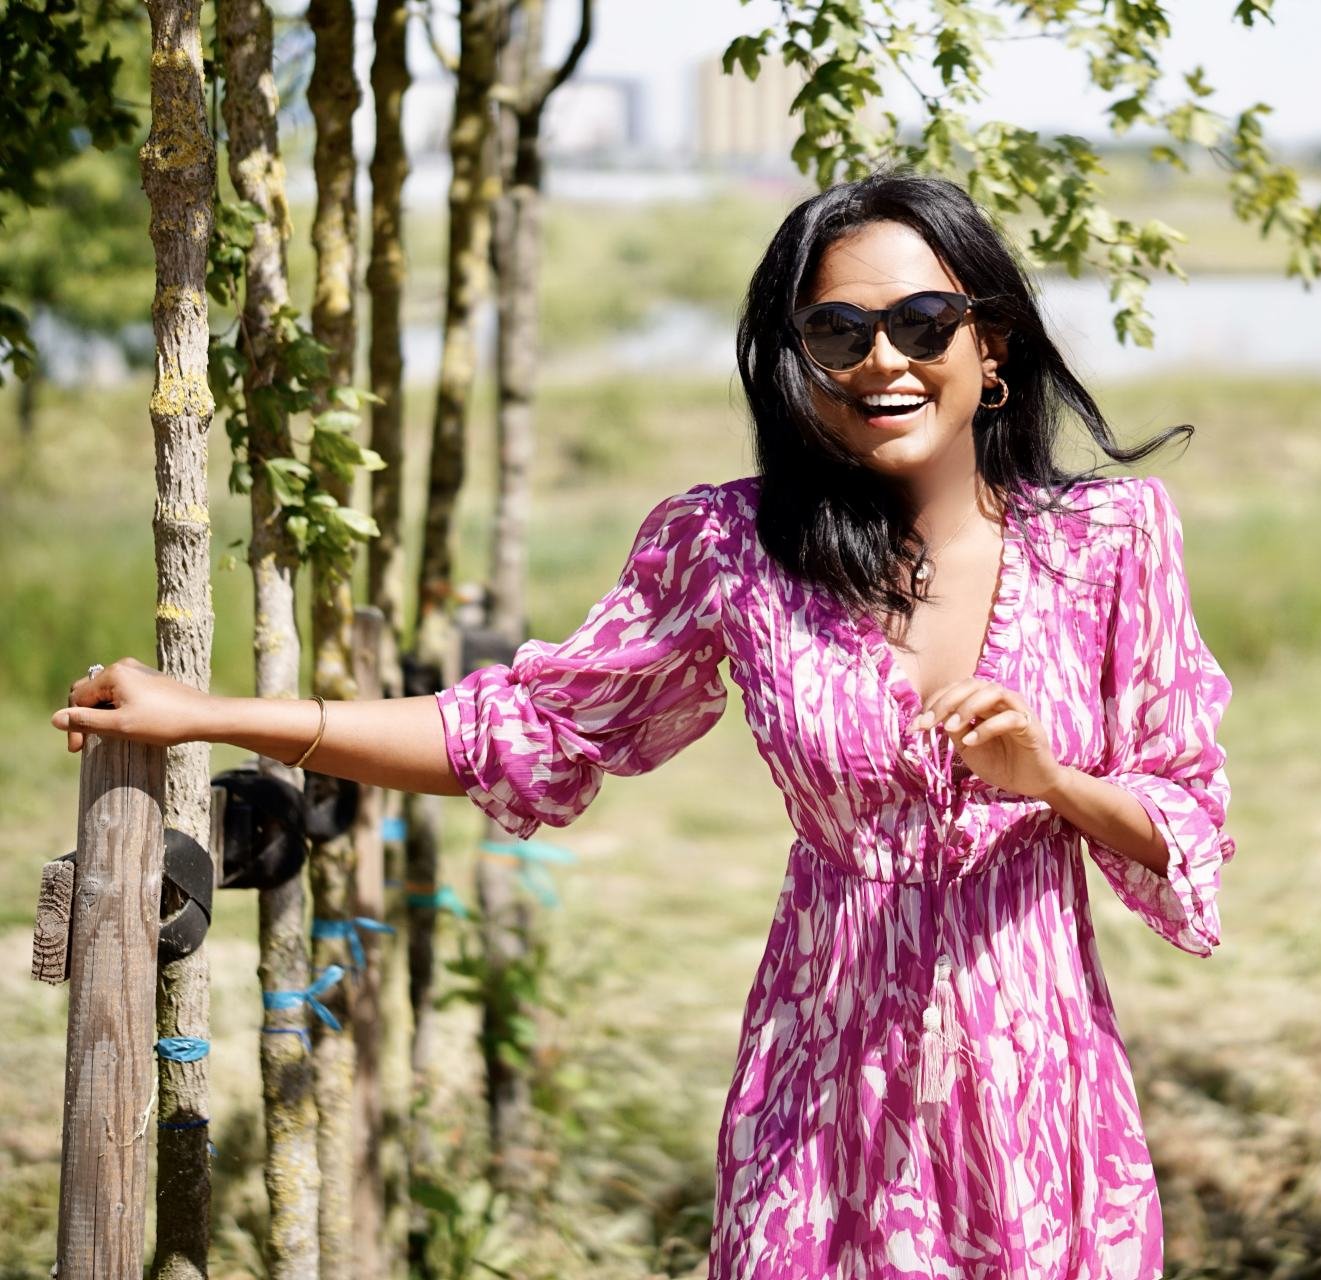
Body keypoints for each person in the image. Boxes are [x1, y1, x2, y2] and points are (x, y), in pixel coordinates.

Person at [51, 169, 1236, 1279]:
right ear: (801, 363)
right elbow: (522, 727)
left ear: (995, 346)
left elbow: (1184, 816)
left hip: (1034, 1084)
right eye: (840, 331)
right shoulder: (730, 546)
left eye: (925, 322)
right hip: (820, 1086)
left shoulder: (1110, 541)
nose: (885, 357)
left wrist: (1048, 778)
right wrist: (212, 713)